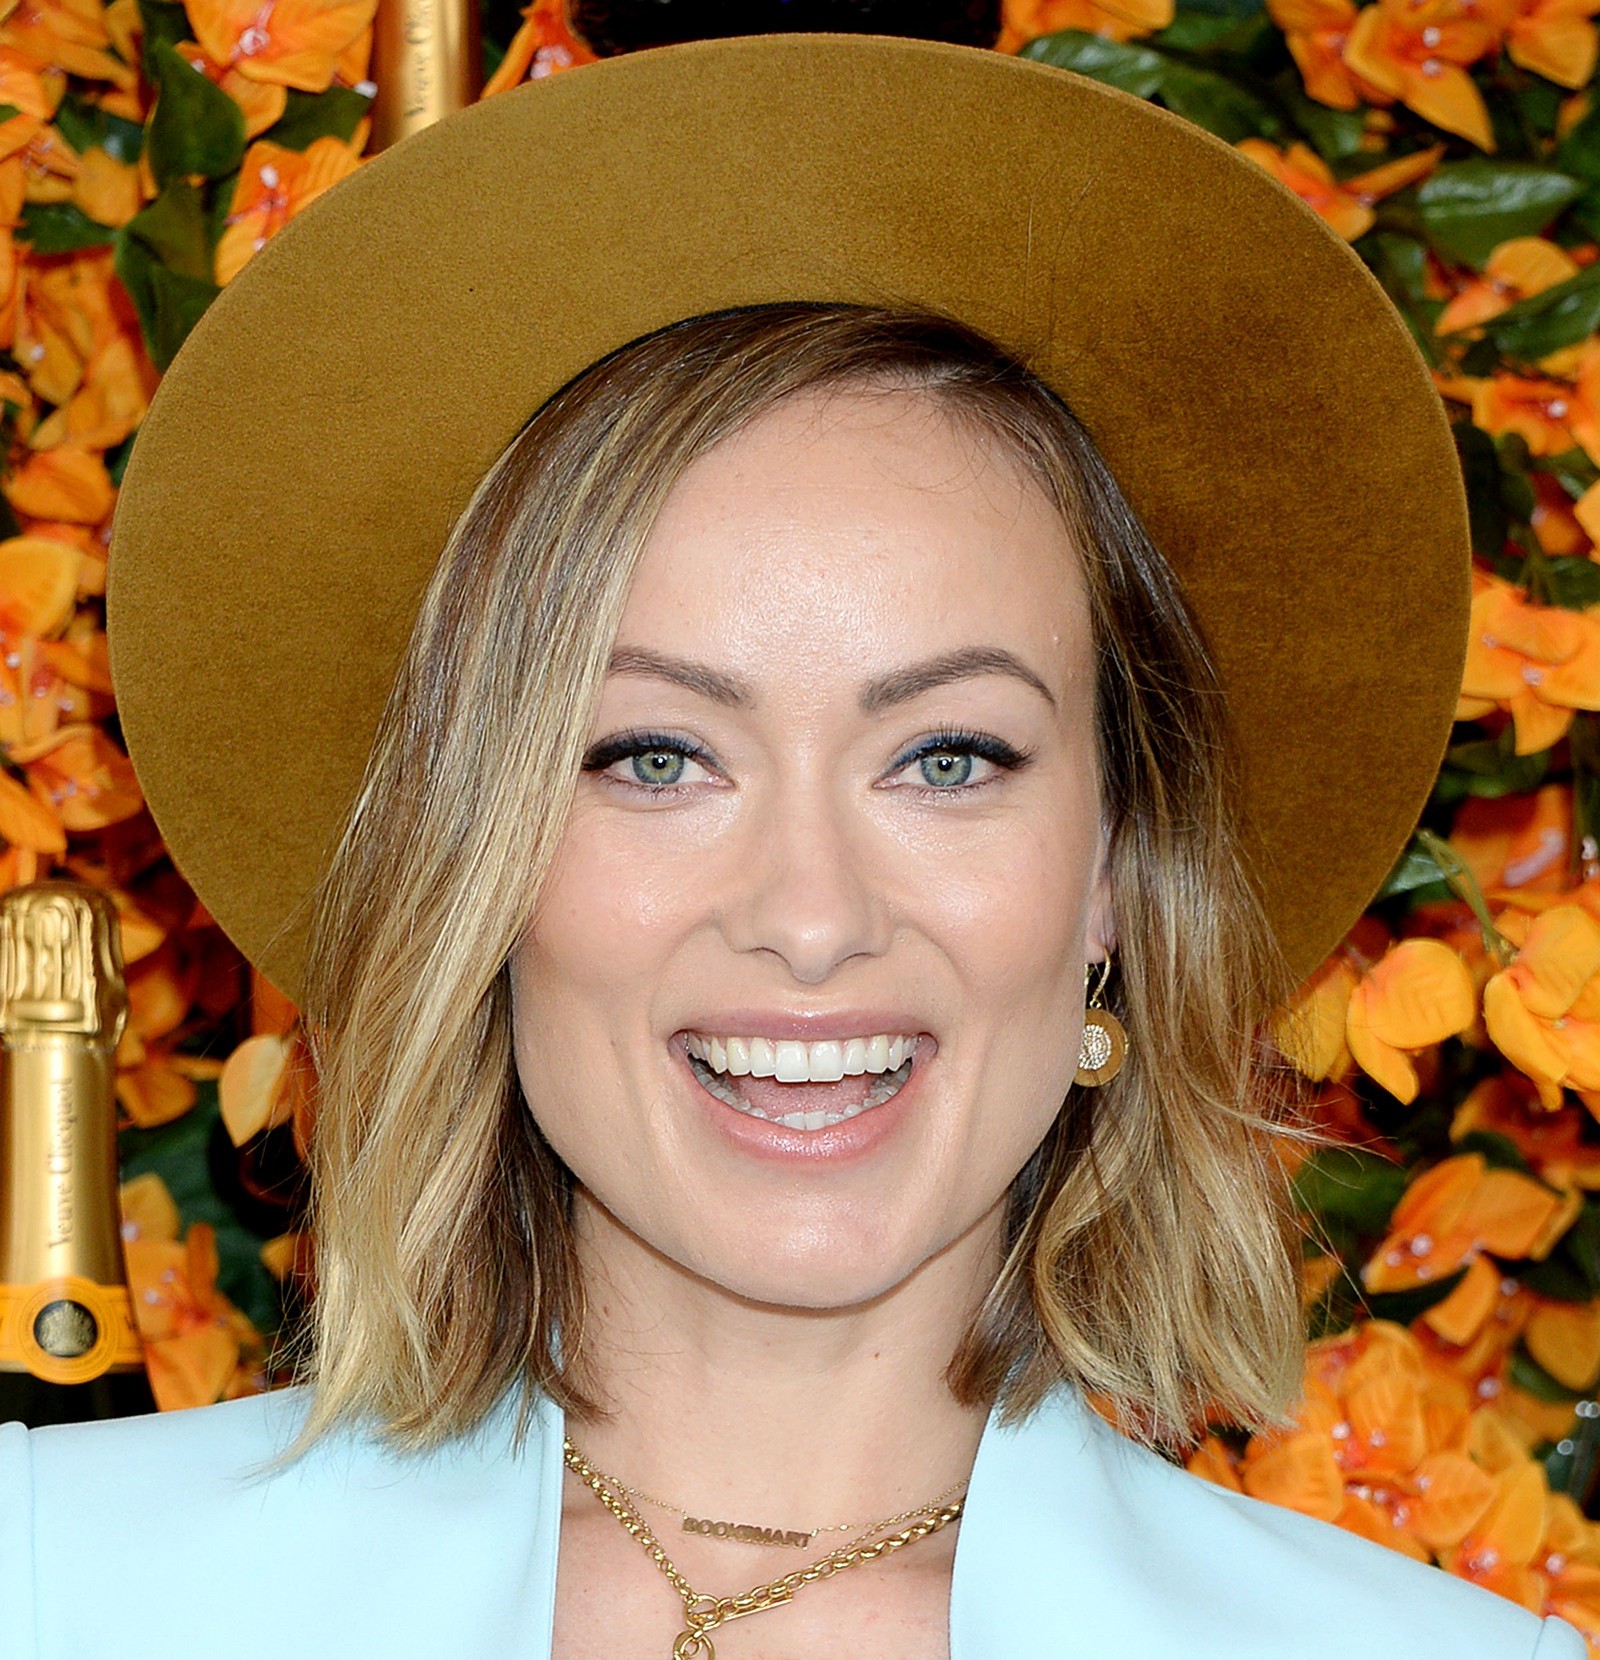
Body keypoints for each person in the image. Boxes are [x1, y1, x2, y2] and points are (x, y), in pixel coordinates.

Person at [0, 29, 1582, 1660]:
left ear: (1117, 866)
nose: (812, 918)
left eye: (948, 759)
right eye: (658, 757)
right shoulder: (51, 1591)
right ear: (480, 871)